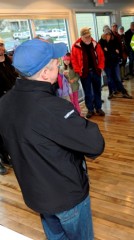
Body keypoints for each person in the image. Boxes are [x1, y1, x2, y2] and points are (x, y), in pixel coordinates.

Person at [0, 38, 105, 239]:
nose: (59, 64)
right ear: (45, 73)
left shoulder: (4, 103)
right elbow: (95, 144)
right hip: (67, 196)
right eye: (55, 63)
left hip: (36, 195)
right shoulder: (55, 109)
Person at [71, 27, 105, 118]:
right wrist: (78, 70)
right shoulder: (75, 46)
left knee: (97, 91)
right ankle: (90, 109)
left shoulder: (95, 44)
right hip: (84, 73)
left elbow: (101, 57)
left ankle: (98, 108)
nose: (88, 38)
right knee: (88, 92)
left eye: (89, 36)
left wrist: (100, 67)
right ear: (81, 37)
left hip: (95, 71)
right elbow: (73, 60)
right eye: (86, 37)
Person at [0, 38, 18, 175]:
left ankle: (8, 156)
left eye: (2, 45)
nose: (1, 47)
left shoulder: (9, 60)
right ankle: (1, 159)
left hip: (12, 100)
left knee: (9, 131)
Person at [99, 29, 133, 99]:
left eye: (109, 35)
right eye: (107, 35)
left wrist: (110, 50)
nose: (108, 36)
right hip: (107, 64)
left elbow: (117, 51)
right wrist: (112, 51)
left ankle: (124, 92)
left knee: (117, 78)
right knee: (109, 79)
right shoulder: (101, 42)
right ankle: (110, 93)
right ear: (104, 35)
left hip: (115, 62)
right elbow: (102, 53)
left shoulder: (113, 41)